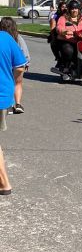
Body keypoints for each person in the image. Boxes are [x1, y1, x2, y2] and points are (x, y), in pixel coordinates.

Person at [0, 29, 27, 194]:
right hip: (3, 96)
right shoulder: (5, 38)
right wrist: (14, 83)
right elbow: (20, 66)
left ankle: (4, 183)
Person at [56, 0, 82, 77]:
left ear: (79, 9)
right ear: (69, 9)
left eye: (76, 8)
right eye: (72, 9)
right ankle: (66, 68)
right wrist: (64, 31)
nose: (74, 10)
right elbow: (59, 27)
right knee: (69, 51)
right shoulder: (63, 18)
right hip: (69, 40)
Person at [0, 17, 30, 114]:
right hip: (18, 64)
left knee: (6, 83)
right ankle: (17, 104)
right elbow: (25, 52)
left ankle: (8, 105)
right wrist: (27, 63)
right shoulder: (17, 37)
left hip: (7, 65)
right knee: (18, 83)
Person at [49, 0, 68, 66]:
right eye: (63, 7)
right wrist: (53, 33)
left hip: (69, 33)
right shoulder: (55, 15)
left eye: (66, 7)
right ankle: (58, 58)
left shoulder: (70, 15)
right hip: (58, 32)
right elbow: (52, 22)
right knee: (53, 43)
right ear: (59, 8)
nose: (65, 8)